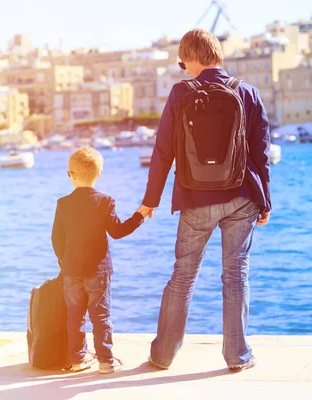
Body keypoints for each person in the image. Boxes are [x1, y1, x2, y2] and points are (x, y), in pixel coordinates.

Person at [137, 29, 272, 372]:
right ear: (217, 55)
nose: (184, 68)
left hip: (196, 198)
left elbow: (163, 150)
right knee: (236, 275)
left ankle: (163, 355)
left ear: (193, 58)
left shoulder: (180, 93)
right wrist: (265, 201)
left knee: (183, 276)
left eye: (184, 62)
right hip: (242, 197)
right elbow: (262, 153)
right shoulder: (248, 93)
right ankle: (237, 356)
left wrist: (150, 200)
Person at [52, 146, 145, 374]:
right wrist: (139, 216)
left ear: (72, 175)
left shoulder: (63, 203)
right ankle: (105, 361)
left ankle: (76, 360)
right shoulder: (105, 201)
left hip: (71, 271)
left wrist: (63, 261)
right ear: (98, 174)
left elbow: (56, 238)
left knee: (74, 318)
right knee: (101, 317)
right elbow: (118, 231)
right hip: (98, 272)